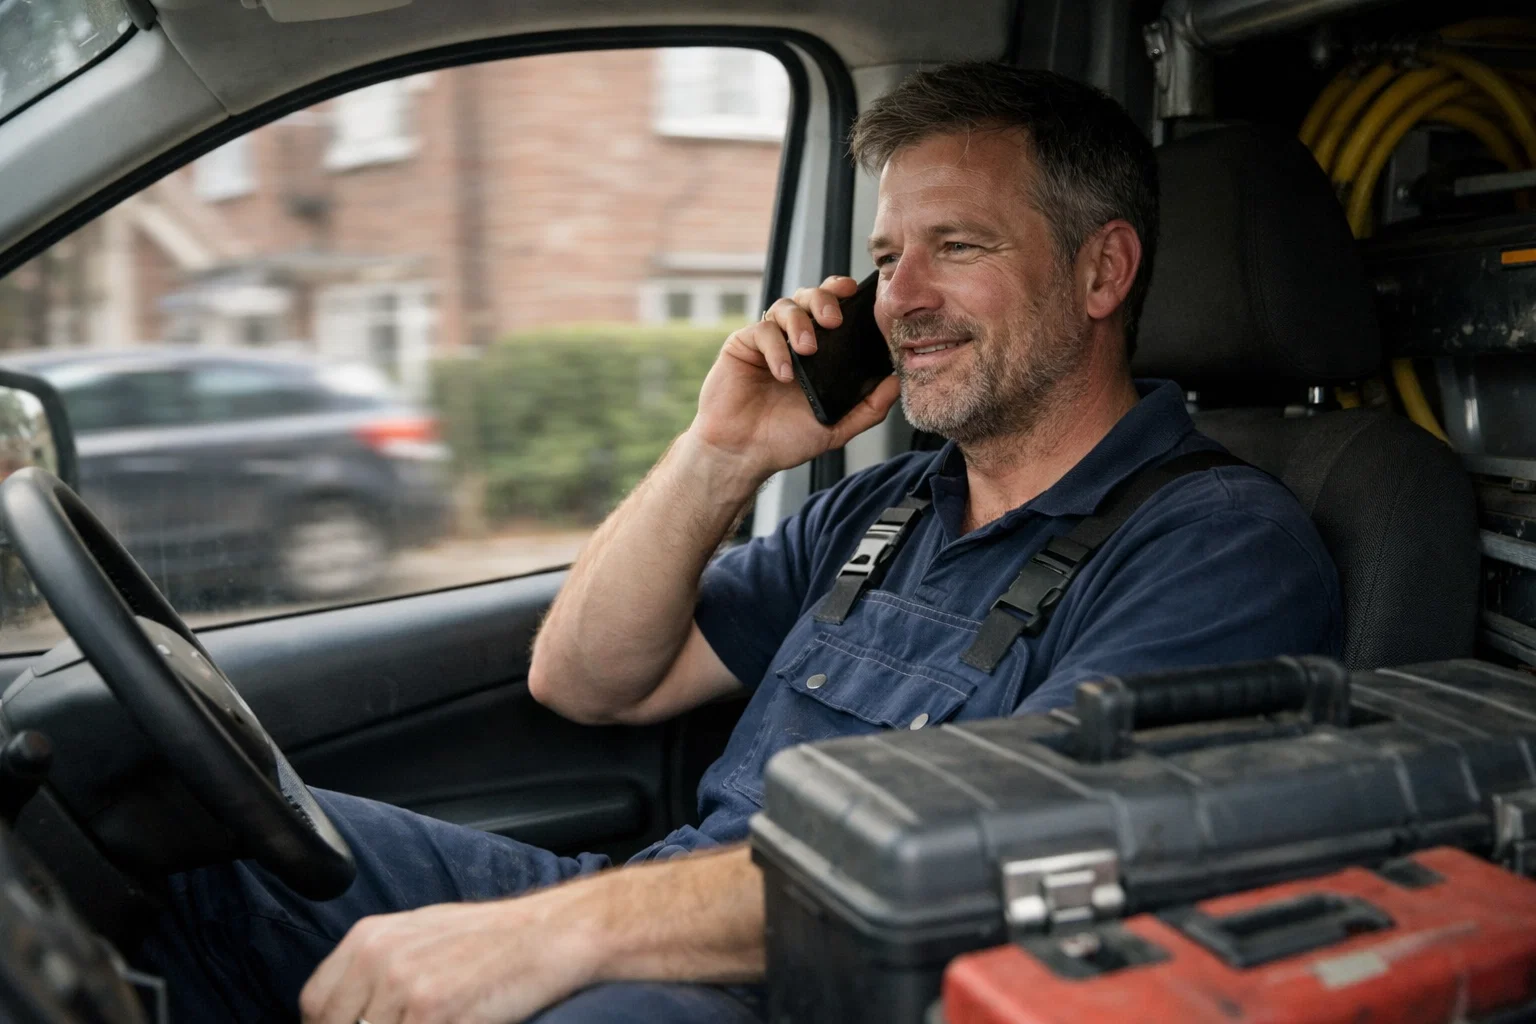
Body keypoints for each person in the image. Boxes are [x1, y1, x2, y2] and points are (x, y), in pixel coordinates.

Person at [140, 62, 1342, 1024]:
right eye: (884, 257)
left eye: (957, 247)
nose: (898, 299)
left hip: (831, 988)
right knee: (195, 835)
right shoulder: (885, 510)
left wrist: (553, 937)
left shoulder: (1219, 548)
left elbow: (1006, 858)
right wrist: (722, 453)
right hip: (647, 912)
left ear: (1101, 270)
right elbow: (590, 678)